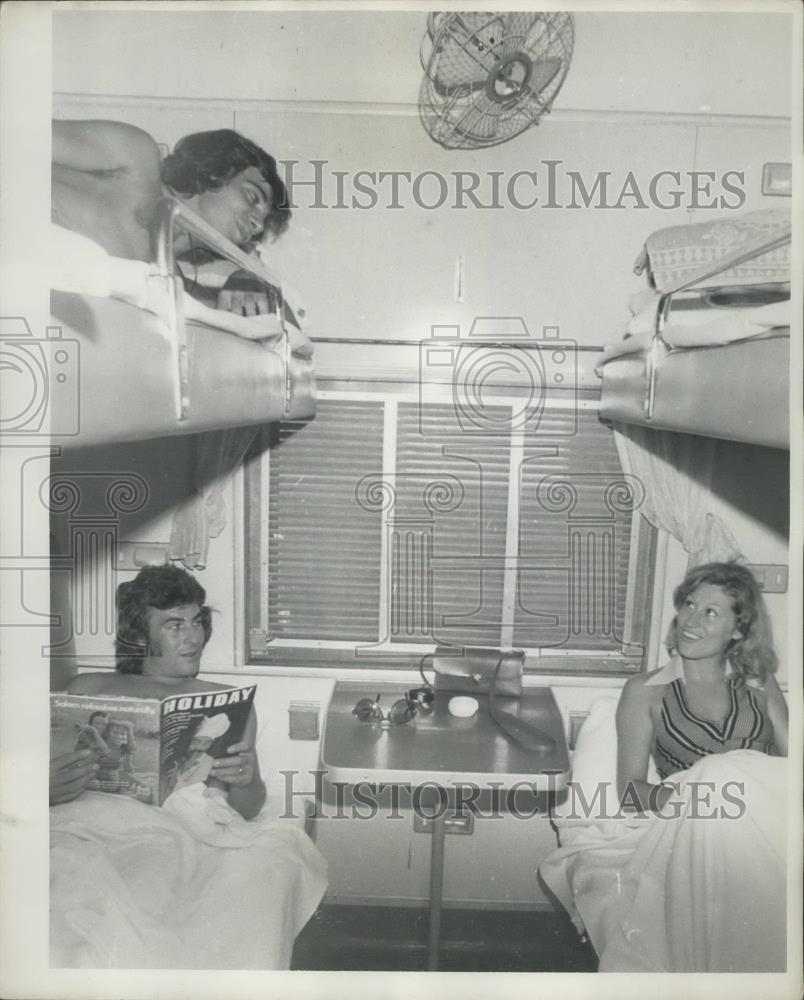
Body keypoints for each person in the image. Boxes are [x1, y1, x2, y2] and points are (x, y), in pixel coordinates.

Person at [49, 564, 265, 820]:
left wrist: (246, 781)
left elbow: (249, 809)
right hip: (97, 825)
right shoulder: (87, 688)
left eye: (196, 623)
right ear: (140, 637)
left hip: (186, 829)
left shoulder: (231, 703)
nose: (194, 638)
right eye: (175, 626)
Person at [52, 119, 290, 317]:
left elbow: (283, 323)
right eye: (253, 197)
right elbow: (21, 134)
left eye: (261, 224)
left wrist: (249, 279)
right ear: (216, 171)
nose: (257, 225)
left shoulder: (169, 284)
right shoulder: (135, 157)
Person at [616, 561, 788, 814]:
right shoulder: (644, 690)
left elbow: (795, 766)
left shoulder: (760, 681)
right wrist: (709, 803)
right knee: (714, 770)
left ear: (738, 630)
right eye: (690, 605)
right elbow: (631, 794)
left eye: (710, 612)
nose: (690, 621)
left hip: (763, 814)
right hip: (692, 822)